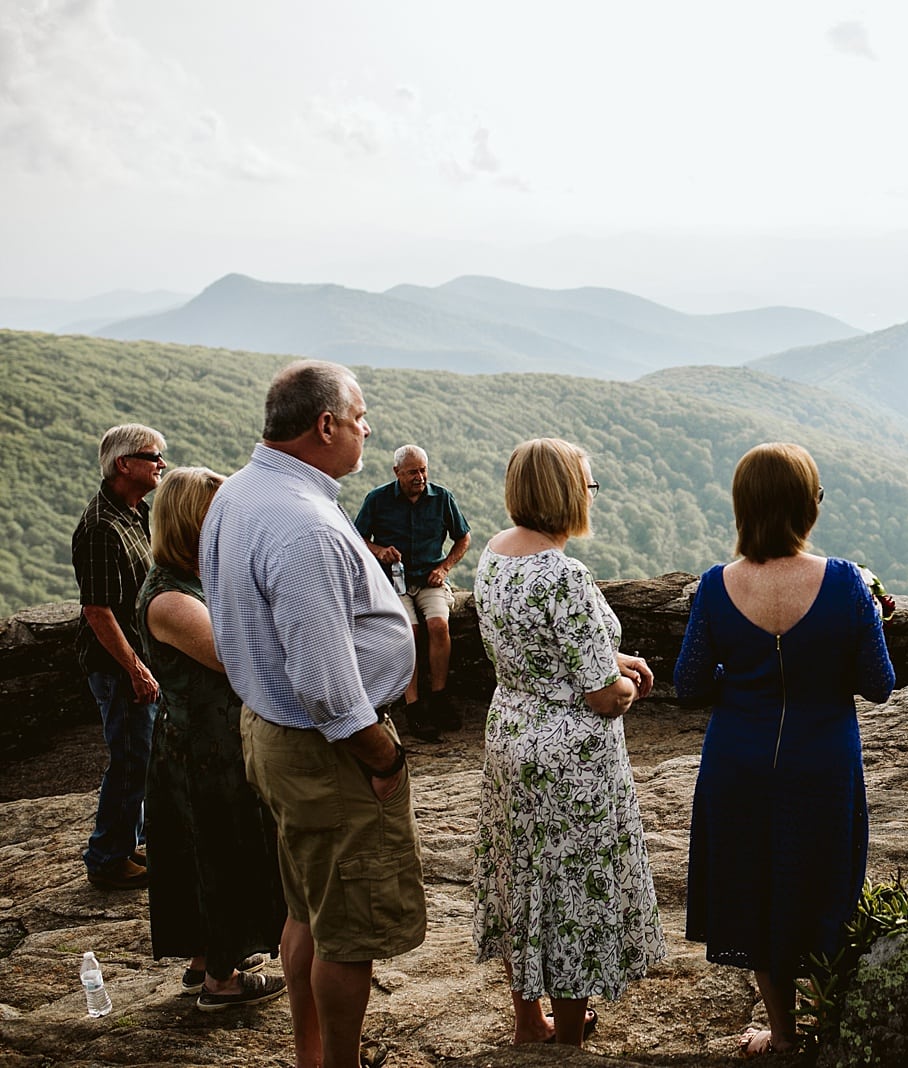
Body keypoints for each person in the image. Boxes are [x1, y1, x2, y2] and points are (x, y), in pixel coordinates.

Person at [201, 360, 424, 1068]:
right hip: (328, 751)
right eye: (361, 418)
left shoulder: (240, 493)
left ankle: (312, 1054)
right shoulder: (304, 528)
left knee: (305, 907)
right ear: (324, 425)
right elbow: (327, 685)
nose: (368, 428)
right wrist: (384, 756)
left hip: (269, 728)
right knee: (347, 931)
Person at [676, 442, 895, 1057]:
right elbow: (879, 683)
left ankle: (782, 1033)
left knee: (754, 886)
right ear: (808, 506)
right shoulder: (849, 582)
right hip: (821, 760)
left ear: (743, 508)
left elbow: (689, 685)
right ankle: (830, 1020)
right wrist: (866, 624)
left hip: (737, 762)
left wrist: (744, 683)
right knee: (826, 884)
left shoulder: (717, 586)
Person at [472, 438, 665, 1048]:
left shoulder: (495, 555)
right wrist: (626, 686)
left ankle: (528, 1020)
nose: (591, 493)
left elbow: (544, 643)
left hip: (510, 733)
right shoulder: (563, 573)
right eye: (588, 482)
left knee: (521, 877)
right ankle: (571, 1032)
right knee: (572, 885)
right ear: (562, 492)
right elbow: (601, 695)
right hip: (569, 759)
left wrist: (612, 657)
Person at [135, 466, 287, 1011]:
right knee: (220, 855)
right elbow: (230, 657)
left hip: (211, 744)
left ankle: (206, 955)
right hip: (200, 752)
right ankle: (221, 981)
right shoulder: (170, 598)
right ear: (193, 520)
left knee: (204, 854)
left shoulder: (197, 579)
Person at [74, 423, 166, 891]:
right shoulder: (99, 528)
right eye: (153, 457)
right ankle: (107, 857)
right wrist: (136, 668)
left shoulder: (133, 512)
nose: (161, 464)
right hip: (118, 666)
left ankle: (128, 843)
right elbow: (98, 611)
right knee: (131, 759)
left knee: (142, 756)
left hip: (138, 657)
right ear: (123, 464)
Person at [354, 444, 472, 740]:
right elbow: (356, 538)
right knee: (409, 632)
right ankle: (413, 705)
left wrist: (444, 569)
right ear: (397, 473)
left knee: (439, 625)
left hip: (430, 577)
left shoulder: (441, 497)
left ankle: (440, 696)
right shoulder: (378, 499)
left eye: (423, 470)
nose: (420, 477)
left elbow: (463, 538)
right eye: (412, 472)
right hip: (393, 583)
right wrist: (379, 551)